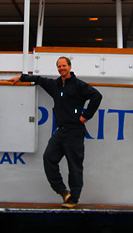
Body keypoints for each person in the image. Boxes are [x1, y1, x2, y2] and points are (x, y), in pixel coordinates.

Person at [9, 56, 102, 208]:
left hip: (75, 131)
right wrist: (21, 77)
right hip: (61, 131)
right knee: (48, 158)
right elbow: (39, 80)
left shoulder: (79, 85)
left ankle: (74, 198)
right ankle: (63, 191)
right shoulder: (55, 85)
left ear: (70, 67)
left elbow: (97, 96)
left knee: (74, 165)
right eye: (59, 66)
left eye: (64, 66)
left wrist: (86, 116)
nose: (61, 69)